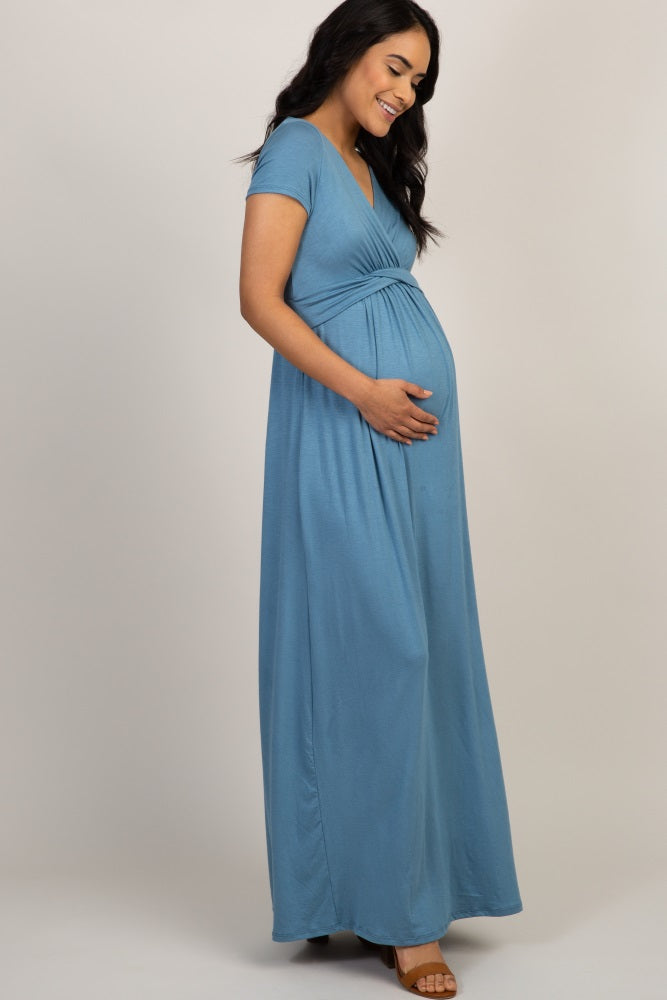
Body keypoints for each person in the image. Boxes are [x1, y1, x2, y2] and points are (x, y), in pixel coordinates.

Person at [239, 1, 523, 994]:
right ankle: (400, 920)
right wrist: (363, 390)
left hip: (413, 453)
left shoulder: (364, 158)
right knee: (379, 649)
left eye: (418, 81)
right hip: (340, 427)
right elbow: (259, 298)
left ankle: (378, 887)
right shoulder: (295, 150)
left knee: (421, 649)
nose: (405, 92)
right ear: (347, 48)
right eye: (395, 67)